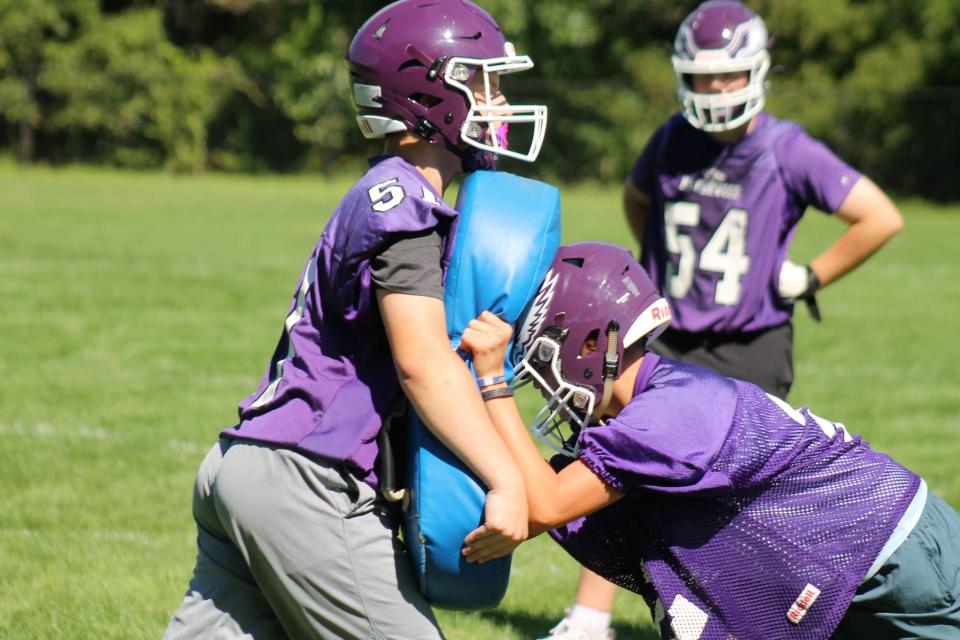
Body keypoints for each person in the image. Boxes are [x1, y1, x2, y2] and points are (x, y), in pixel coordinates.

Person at [163, 1, 548, 638]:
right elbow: (421, 363)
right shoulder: (408, 207)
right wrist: (506, 479)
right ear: (433, 94)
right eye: (485, 82)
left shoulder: (384, 190)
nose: (500, 102)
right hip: (305, 479)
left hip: (244, 463)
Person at [550, 1, 905, 636]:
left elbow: (880, 215)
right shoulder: (669, 140)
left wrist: (811, 274)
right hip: (669, 335)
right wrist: (655, 269)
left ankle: (758, 614)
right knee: (619, 464)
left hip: (749, 345)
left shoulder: (784, 148)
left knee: (736, 504)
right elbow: (637, 201)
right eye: (703, 77)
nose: (715, 90)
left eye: (728, 76)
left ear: (757, 72)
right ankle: (589, 617)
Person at [459, 241, 960, 640]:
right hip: (870, 548)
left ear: (592, 343)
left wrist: (492, 383)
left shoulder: (666, 416)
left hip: (891, 556)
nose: (545, 380)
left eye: (545, 356)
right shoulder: (659, 400)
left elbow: (547, 506)